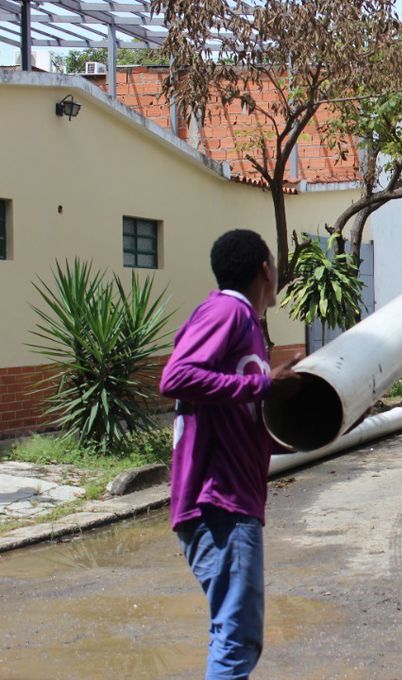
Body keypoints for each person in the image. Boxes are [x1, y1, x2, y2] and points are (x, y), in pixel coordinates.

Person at [160, 229, 302, 680]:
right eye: (275, 264)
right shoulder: (227, 311)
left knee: (233, 633)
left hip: (232, 497)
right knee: (237, 636)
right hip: (216, 499)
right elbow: (176, 377)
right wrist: (262, 384)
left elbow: (240, 414)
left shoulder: (246, 324)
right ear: (265, 268)